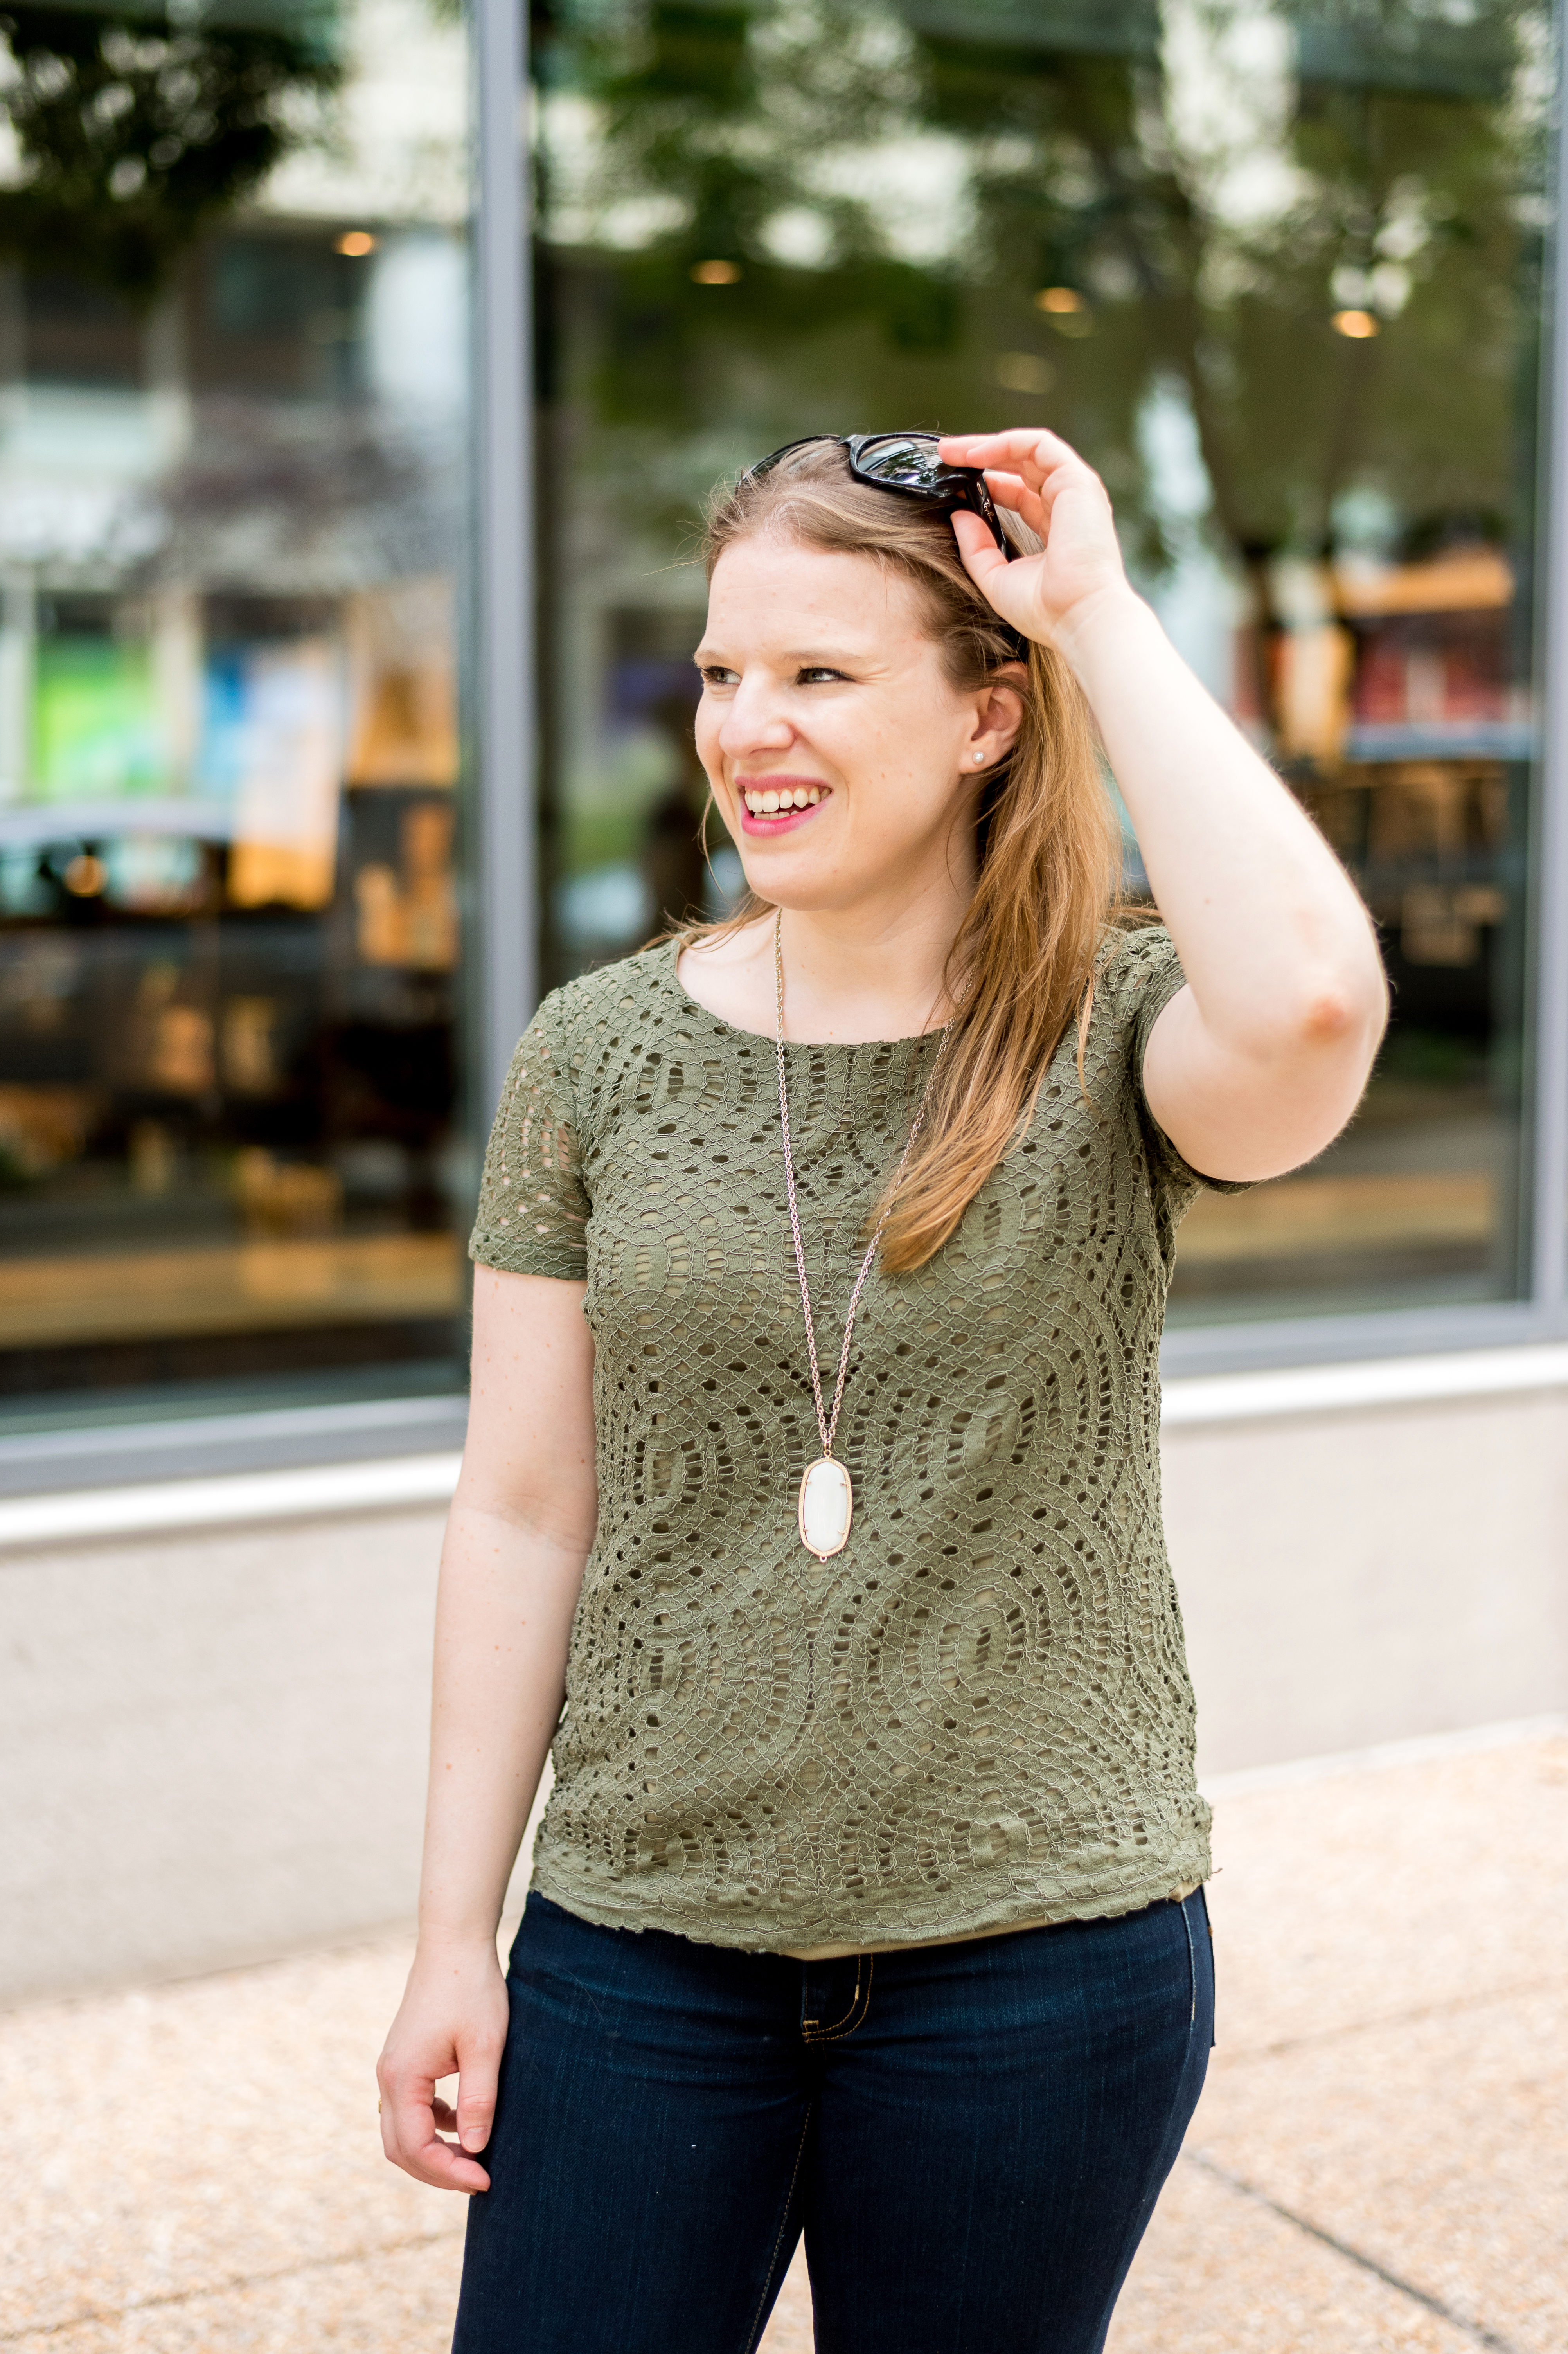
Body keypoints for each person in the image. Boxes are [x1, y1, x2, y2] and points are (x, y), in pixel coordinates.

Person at [376, 428, 1387, 2353]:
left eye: (819, 674)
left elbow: (1317, 1007)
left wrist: (1089, 606)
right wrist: (451, 1932)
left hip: (1040, 1962)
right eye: (720, 671)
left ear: (987, 716)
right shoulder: (593, 1051)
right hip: (639, 1948)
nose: (746, 724)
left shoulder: (1111, 1034)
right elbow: (521, 1503)